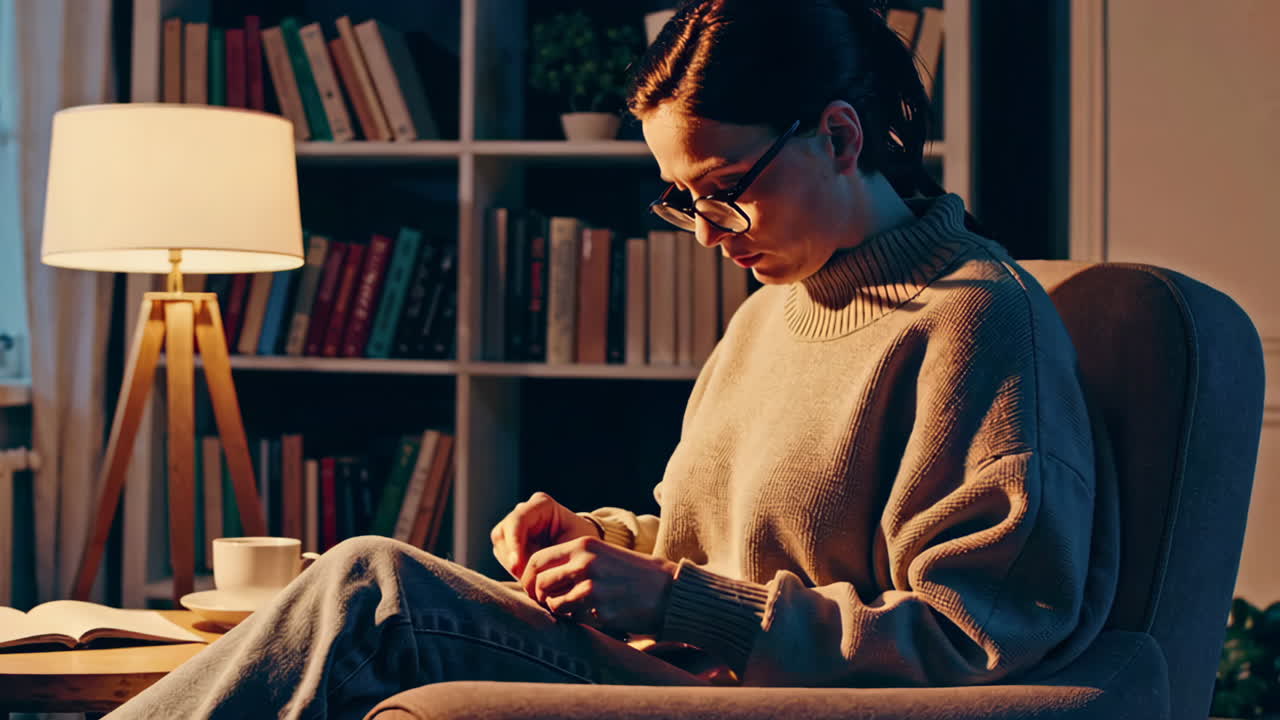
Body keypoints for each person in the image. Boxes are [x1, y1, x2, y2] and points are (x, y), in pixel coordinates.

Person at [107, 0, 1117, 717]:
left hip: (768, 703)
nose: (706, 231)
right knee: (359, 584)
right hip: (686, 669)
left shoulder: (977, 321)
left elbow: (979, 634)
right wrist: (601, 542)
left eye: (724, 188)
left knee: (373, 590)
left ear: (840, 138)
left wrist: (670, 600)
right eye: (681, 198)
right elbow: (712, 544)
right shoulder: (773, 307)